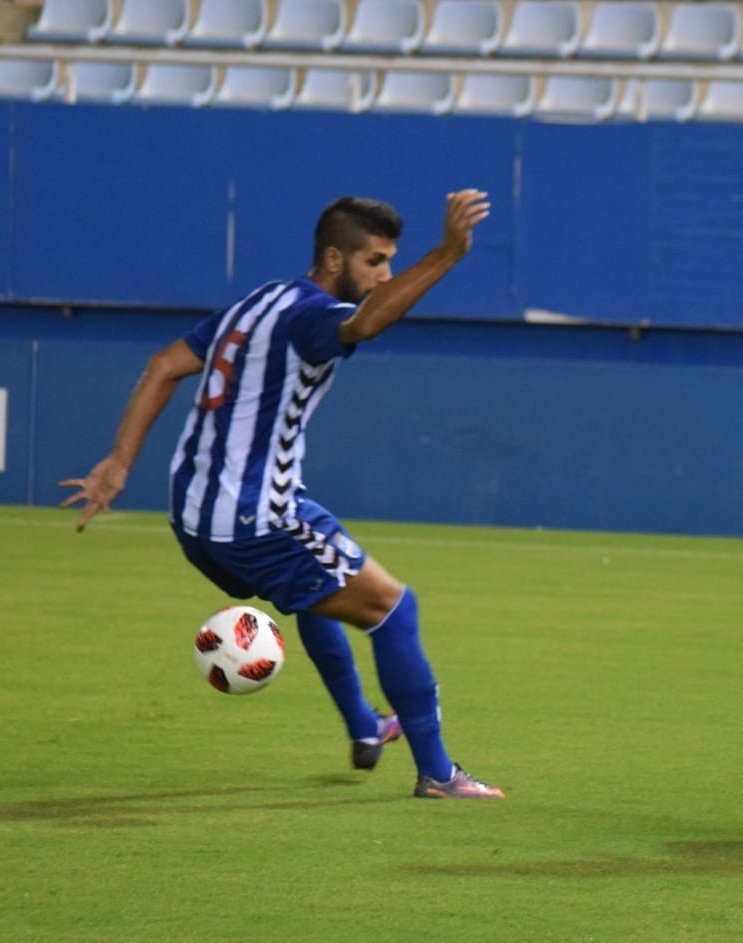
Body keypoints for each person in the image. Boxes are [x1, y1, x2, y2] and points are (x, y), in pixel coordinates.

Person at [60, 191, 503, 800]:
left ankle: (365, 726)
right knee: (394, 610)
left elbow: (164, 364)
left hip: (194, 517)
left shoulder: (258, 303)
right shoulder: (310, 318)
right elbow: (366, 323)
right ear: (333, 258)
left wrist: (118, 463)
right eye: (375, 261)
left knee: (316, 593)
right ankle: (438, 774)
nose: (384, 275)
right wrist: (449, 253)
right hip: (254, 518)